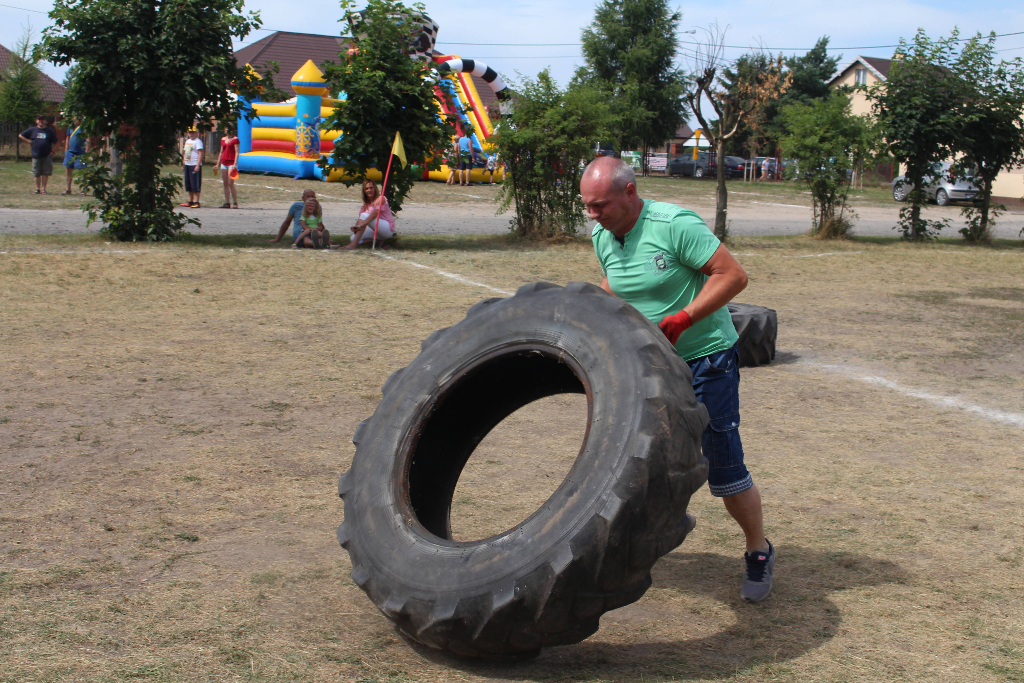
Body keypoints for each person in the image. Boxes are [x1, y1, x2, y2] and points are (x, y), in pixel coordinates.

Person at [581, 156, 774, 603]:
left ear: (630, 193)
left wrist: (684, 318)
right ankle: (628, 551)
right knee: (636, 462)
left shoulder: (674, 225)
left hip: (705, 361)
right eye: (588, 206)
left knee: (723, 468)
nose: (593, 215)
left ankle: (758, 550)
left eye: (601, 205)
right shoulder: (602, 234)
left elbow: (733, 276)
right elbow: (618, 284)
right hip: (647, 367)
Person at [345, 179, 394, 250]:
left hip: (387, 229)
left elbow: (374, 215)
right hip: (375, 230)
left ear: (375, 188)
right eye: (366, 188)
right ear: (364, 191)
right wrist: (356, 227)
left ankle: (353, 246)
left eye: (371, 188)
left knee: (365, 215)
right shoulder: (365, 203)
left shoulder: (381, 199)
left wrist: (360, 225)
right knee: (353, 238)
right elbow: (360, 218)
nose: (369, 190)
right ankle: (378, 241)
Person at [19, 115, 58, 195]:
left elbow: (56, 142)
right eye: (39, 120)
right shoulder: (33, 130)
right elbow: (20, 135)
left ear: (45, 121)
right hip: (36, 155)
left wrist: (53, 152)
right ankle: (37, 189)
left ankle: (43, 189)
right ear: (36, 121)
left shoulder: (49, 131)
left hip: (46, 155)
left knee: (45, 173)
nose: (41, 121)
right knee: (37, 173)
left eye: (42, 120)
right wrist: (28, 141)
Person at [61, 118, 88, 195]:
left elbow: (88, 140)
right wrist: (66, 150)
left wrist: (87, 152)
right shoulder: (71, 127)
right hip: (70, 152)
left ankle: (83, 190)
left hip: (80, 153)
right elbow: (67, 138)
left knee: (82, 170)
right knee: (68, 170)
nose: (76, 119)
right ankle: (68, 189)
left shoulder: (84, 128)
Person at [216, 125, 240, 208]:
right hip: (224, 162)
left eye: (229, 129)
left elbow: (237, 152)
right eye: (226, 129)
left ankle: (235, 202)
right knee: (225, 183)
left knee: (230, 183)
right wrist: (217, 163)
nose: (227, 131)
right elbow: (221, 152)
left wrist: (235, 164)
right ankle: (227, 202)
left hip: (231, 163)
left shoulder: (235, 139)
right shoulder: (223, 139)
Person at [181, 128, 204, 208]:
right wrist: (184, 163)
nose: (191, 134)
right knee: (189, 183)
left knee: (195, 183)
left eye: (192, 133)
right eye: (189, 132)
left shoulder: (198, 142)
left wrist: (198, 165)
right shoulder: (187, 141)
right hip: (188, 164)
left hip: (194, 164)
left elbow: (200, 153)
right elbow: (186, 153)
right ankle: (190, 201)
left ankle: (197, 201)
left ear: (196, 133)